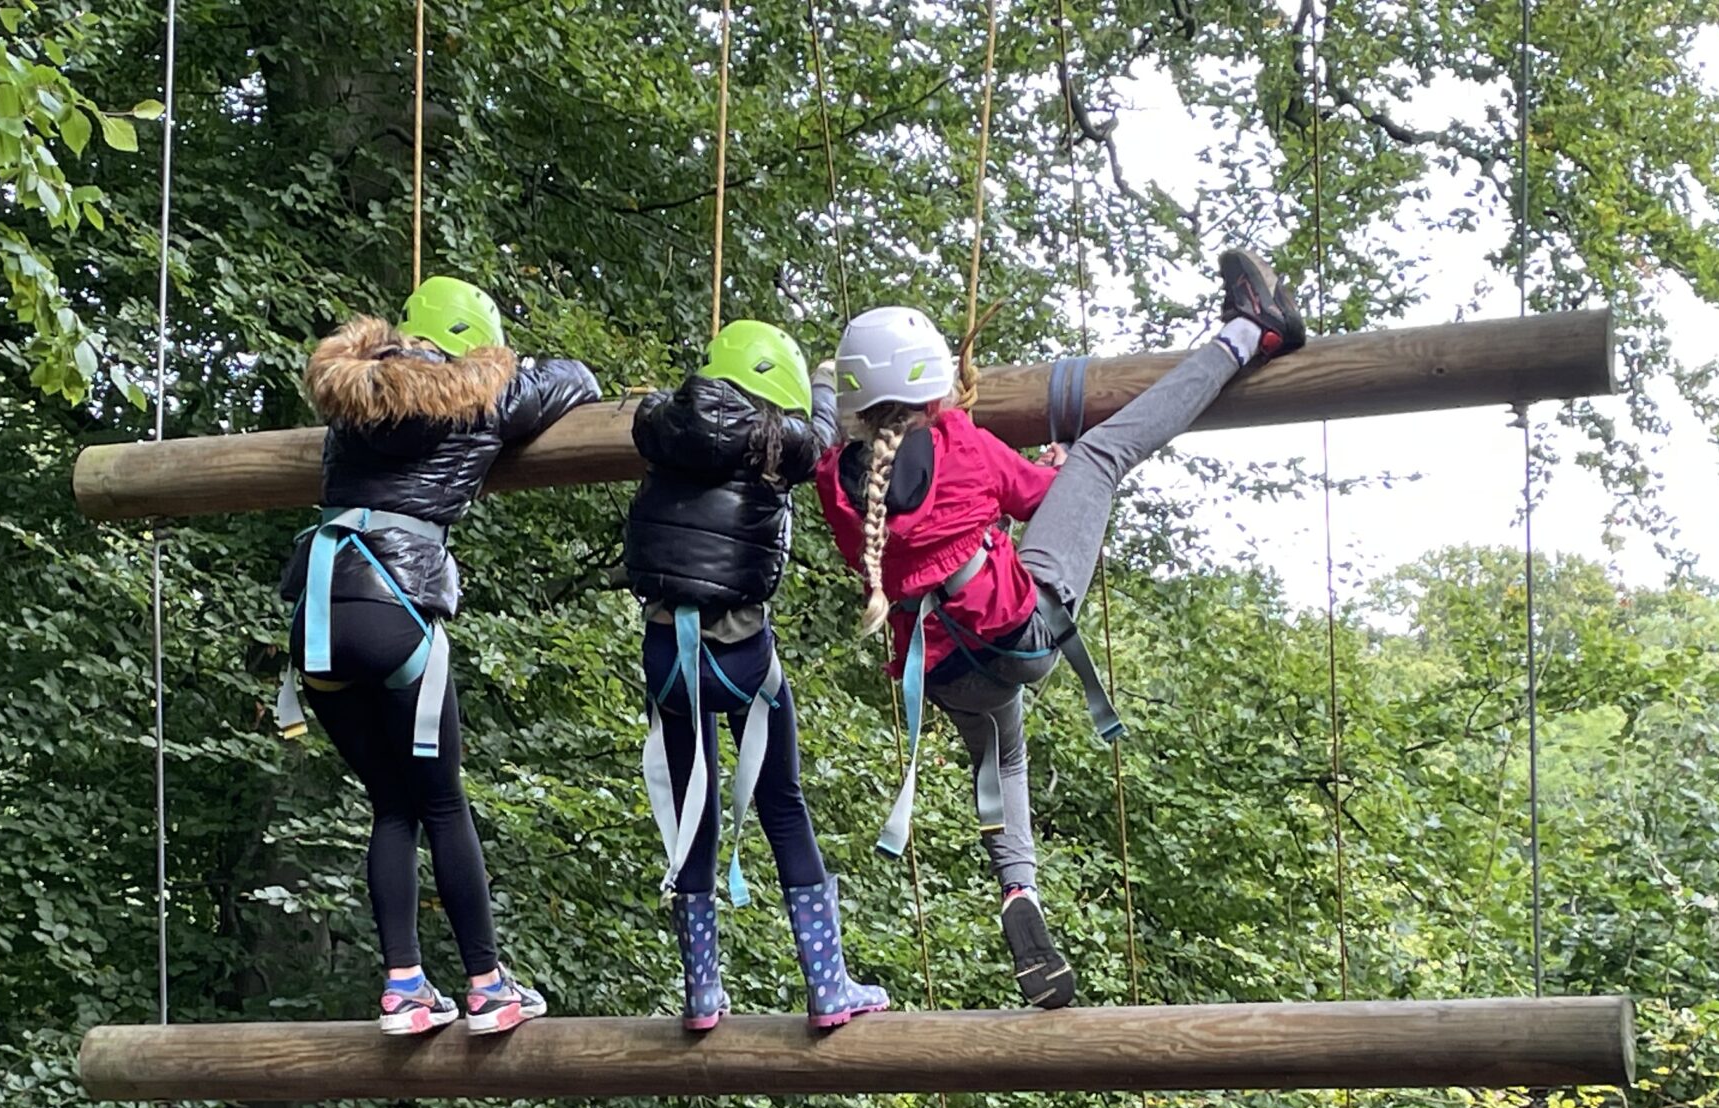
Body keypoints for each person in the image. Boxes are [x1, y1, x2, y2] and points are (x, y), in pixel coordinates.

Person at [815, 250, 1304, 1007]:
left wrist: (825, 382)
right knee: (1103, 456)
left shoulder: (837, 487)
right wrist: (1061, 461)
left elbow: (835, 438)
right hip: (1023, 636)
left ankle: (1018, 890)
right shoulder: (963, 445)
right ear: (932, 387)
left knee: (1003, 764)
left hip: (942, 672)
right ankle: (1247, 338)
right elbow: (1044, 493)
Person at [285, 275, 599, 1037]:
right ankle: (487, 986)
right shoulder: (480, 396)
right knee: (443, 802)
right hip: (395, 609)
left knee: (392, 804)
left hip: (316, 614)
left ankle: (404, 988)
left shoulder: (351, 399)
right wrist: (513, 367)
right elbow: (578, 382)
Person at [624, 320, 889, 1031]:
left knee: (695, 813)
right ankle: (827, 987)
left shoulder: (663, 426)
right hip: (740, 657)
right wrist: (828, 384)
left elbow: (651, 413)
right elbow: (824, 433)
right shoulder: (779, 442)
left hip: (666, 657)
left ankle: (701, 994)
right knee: (782, 803)